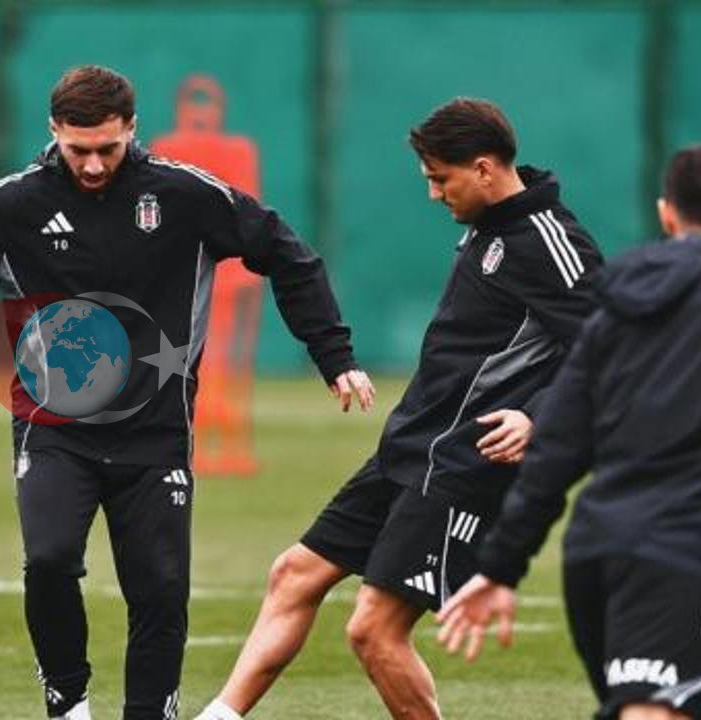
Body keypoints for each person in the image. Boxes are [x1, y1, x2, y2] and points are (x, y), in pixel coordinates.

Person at [0, 65, 373, 720]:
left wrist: (333, 355)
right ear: (54, 131)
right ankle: (68, 702)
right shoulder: (14, 205)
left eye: (108, 148)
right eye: (78, 149)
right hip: (54, 428)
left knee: (159, 588)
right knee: (49, 560)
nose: (93, 165)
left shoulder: (184, 195)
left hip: (155, 431)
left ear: (131, 129)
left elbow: (285, 252)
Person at [196, 98, 604, 720]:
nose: (435, 194)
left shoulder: (550, 241)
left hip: (465, 463)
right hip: (410, 448)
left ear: (485, 168)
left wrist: (538, 417)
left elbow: (610, 348)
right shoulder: (488, 226)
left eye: (441, 179)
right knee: (294, 575)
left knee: (374, 631)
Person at [437, 143, 701, 720]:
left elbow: (557, 445)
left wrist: (501, 565)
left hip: (597, 547)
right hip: (681, 547)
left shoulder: (616, 307)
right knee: (654, 710)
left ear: (667, 214)